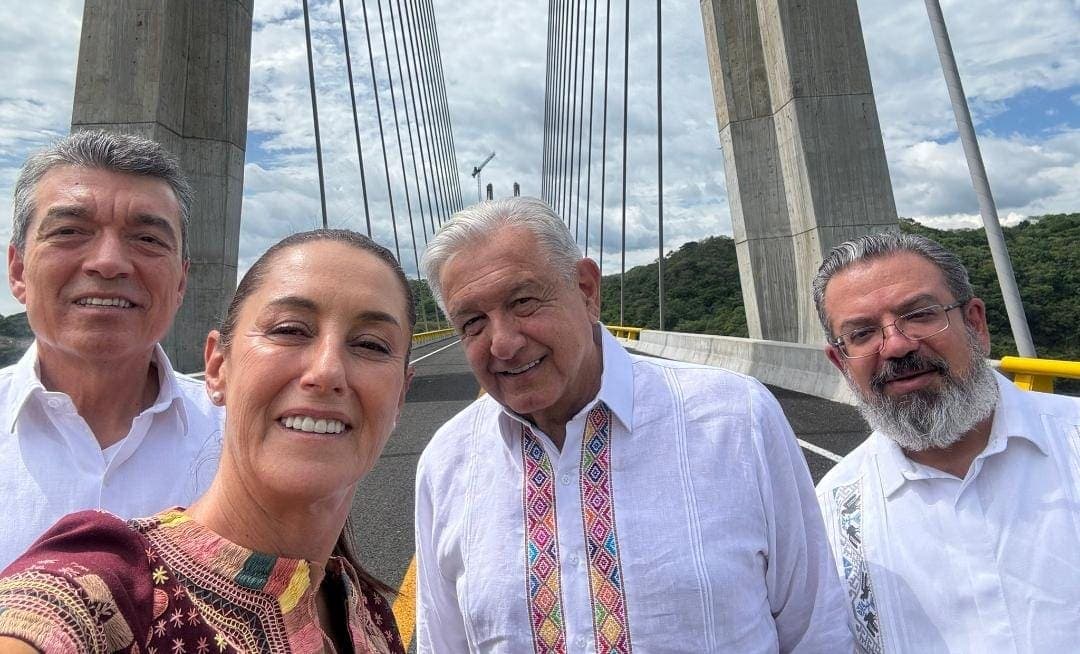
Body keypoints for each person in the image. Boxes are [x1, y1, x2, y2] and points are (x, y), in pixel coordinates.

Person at [413, 197, 851, 652]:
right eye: (473, 322)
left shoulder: (734, 417)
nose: (502, 343)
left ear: (586, 290)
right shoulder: (448, 462)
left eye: (523, 302)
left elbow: (816, 627)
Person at [0, 229, 413, 653]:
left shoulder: (368, 615)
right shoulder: (110, 593)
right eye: (290, 330)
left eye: (370, 345)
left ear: (400, 396)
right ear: (217, 368)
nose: (327, 372)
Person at [812, 232, 1080, 653]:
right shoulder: (829, 513)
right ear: (840, 362)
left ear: (975, 322)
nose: (896, 346)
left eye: (919, 315)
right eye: (862, 334)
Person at [0, 130, 223, 567]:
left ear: (180, 281)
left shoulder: (238, 439)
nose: (109, 262)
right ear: (19, 270)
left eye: (147, 239)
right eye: (69, 231)